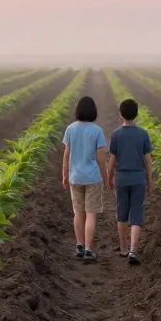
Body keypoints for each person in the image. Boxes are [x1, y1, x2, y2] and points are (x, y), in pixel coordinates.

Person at [62, 96, 109, 263]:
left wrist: (64, 176)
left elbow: (66, 155)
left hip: (75, 176)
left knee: (78, 212)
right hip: (92, 178)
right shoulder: (97, 131)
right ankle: (89, 250)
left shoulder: (70, 129)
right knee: (91, 213)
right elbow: (100, 159)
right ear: (94, 111)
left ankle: (79, 245)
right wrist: (106, 178)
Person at [108, 98, 153, 265]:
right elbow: (148, 162)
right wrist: (150, 181)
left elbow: (112, 161)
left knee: (122, 213)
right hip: (138, 178)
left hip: (122, 178)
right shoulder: (143, 134)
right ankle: (133, 250)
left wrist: (109, 178)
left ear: (121, 114)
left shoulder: (116, 134)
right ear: (136, 114)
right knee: (136, 214)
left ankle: (123, 248)